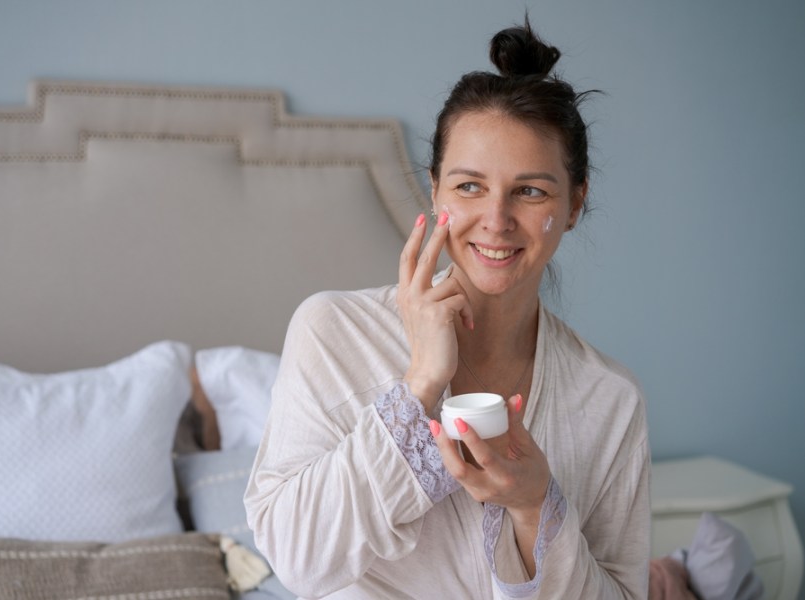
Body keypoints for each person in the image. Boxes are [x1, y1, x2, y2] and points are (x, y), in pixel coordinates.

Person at [245, 17, 650, 600]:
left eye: (531, 190)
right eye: (468, 187)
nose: (497, 219)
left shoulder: (610, 399)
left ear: (575, 203)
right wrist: (420, 384)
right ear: (434, 190)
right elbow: (298, 560)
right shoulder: (332, 332)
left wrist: (536, 508)